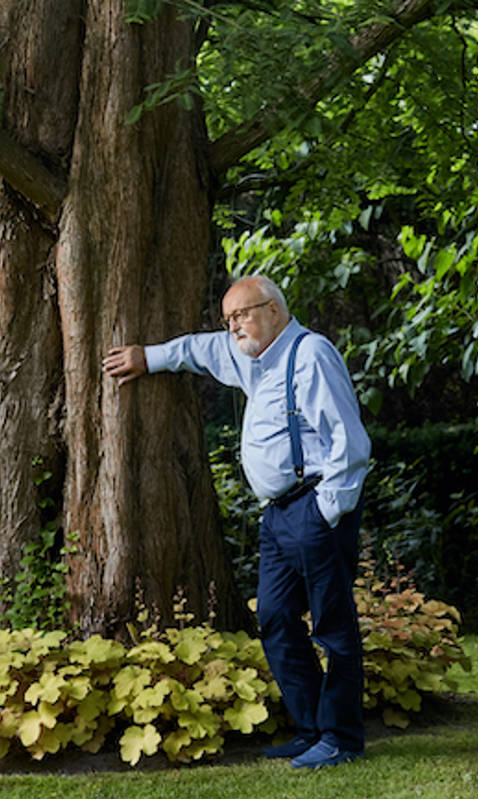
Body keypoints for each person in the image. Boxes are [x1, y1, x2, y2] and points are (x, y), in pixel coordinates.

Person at [102, 275, 371, 769]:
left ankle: (342, 738)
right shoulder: (252, 357)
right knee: (274, 620)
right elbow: (199, 350)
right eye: (228, 319)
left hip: (315, 511)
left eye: (241, 315)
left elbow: (348, 444)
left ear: (273, 310)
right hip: (278, 516)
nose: (233, 328)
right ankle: (311, 730)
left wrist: (326, 510)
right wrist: (147, 357)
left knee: (333, 628)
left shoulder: (310, 355)